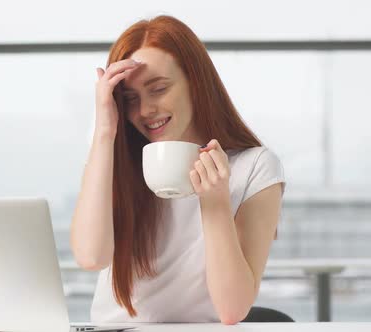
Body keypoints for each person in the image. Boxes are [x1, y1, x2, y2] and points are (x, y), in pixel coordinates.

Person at [70, 15, 286, 325]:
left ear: (195, 83)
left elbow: (231, 310)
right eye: (130, 99)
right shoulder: (115, 159)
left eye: (158, 89)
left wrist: (215, 203)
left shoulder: (255, 166)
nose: (145, 111)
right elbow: (91, 257)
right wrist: (105, 133)